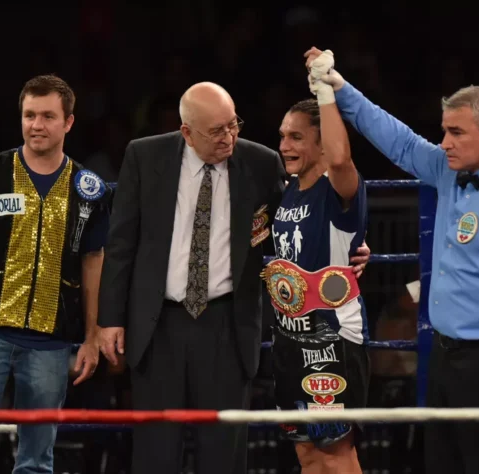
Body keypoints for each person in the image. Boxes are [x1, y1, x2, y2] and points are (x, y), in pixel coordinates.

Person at [305, 47, 479, 474]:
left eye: (456, 132)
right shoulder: (449, 168)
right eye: (445, 131)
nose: (444, 142)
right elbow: (402, 142)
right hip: (442, 355)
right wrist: (341, 90)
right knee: (442, 463)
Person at [97, 81, 371, 474]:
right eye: (217, 131)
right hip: (158, 324)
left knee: (224, 452)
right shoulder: (145, 156)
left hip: (227, 323)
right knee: (156, 451)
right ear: (187, 132)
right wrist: (110, 319)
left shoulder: (260, 162)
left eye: (233, 124)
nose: (229, 137)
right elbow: (121, 242)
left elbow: (305, 216)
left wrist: (356, 245)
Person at [0, 74, 110, 474]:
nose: (36, 125)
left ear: (68, 122)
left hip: (50, 341)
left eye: (48, 116)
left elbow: (93, 261)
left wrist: (92, 335)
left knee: (36, 459)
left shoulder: (89, 188)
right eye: (29, 115)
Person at [265, 72, 369, 473]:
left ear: (321, 142)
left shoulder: (337, 189)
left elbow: (341, 158)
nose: (284, 146)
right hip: (288, 338)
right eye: (283, 136)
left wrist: (324, 91)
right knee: (306, 453)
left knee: (337, 452)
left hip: (333, 336)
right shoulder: (287, 191)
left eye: (295, 137)